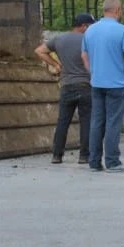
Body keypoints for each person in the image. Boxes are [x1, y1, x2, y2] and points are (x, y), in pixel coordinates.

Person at [81, 0, 124, 173]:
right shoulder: (122, 30)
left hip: (97, 82)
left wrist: (94, 72)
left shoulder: (90, 30)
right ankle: (112, 161)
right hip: (117, 83)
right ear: (118, 10)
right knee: (113, 122)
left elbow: (84, 56)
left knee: (97, 121)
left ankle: (94, 161)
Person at [34, 13, 95, 164]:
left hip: (67, 85)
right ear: (84, 26)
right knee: (86, 121)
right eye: (90, 26)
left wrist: (56, 64)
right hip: (85, 85)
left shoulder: (59, 39)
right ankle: (84, 156)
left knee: (63, 121)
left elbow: (39, 51)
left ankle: (57, 155)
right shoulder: (89, 40)